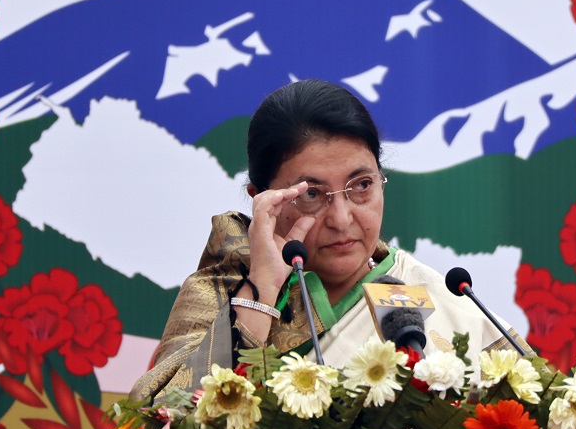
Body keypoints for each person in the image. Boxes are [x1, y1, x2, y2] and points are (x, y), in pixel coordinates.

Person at [130, 79, 525, 401]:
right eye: (311, 194)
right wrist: (263, 290)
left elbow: (540, 418)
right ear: (260, 200)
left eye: (362, 186)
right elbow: (155, 425)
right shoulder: (220, 291)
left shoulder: (436, 293)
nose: (342, 219)